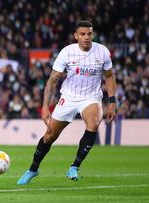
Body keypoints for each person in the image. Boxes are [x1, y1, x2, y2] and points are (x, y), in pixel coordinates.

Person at [17, 20, 116, 185]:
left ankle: (74, 166)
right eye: (83, 34)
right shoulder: (67, 53)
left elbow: (109, 76)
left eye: (89, 34)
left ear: (93, 35)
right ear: (76, 36)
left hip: (91, 97)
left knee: (93, 123)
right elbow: (52, 81)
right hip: (69, 97)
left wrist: (112, 101)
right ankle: (33, 169)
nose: (86, 37)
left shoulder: (102, 52)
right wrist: (44, 107)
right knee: (50, 135)